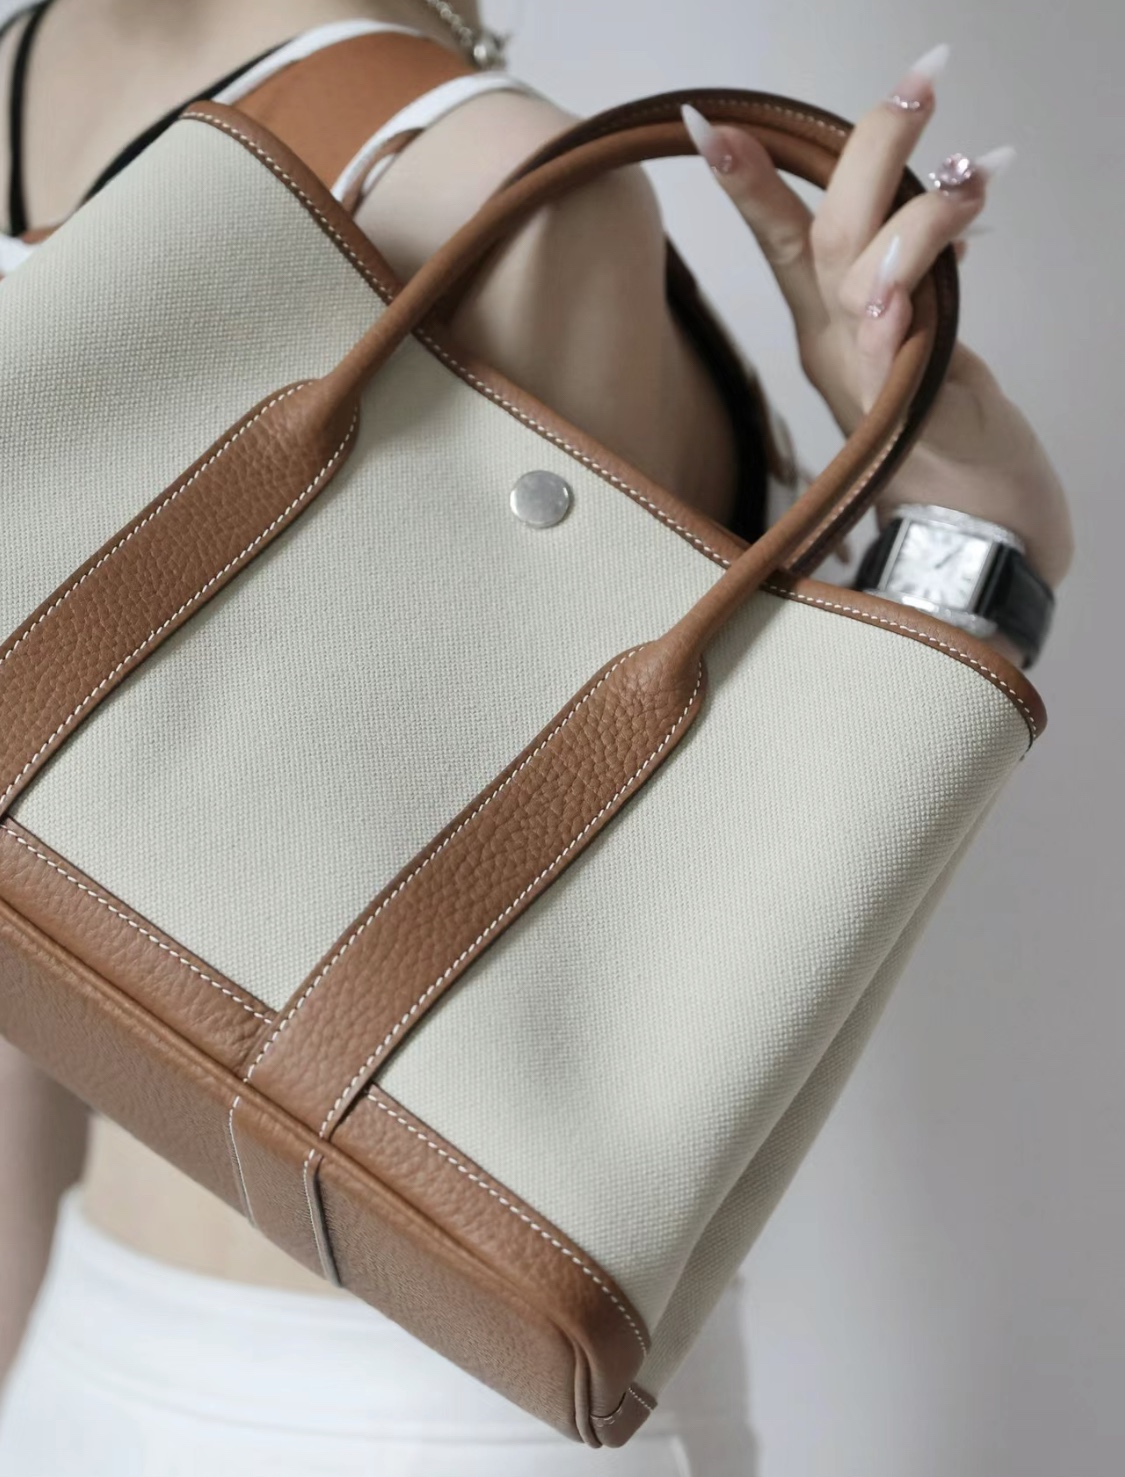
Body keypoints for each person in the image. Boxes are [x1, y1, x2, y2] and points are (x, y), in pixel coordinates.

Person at [0, 1, 1074, 1472]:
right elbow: (660, 974)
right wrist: (977, 547)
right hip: (421, 1408)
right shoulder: (503, 185)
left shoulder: (26, 78)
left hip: (86, 1340)